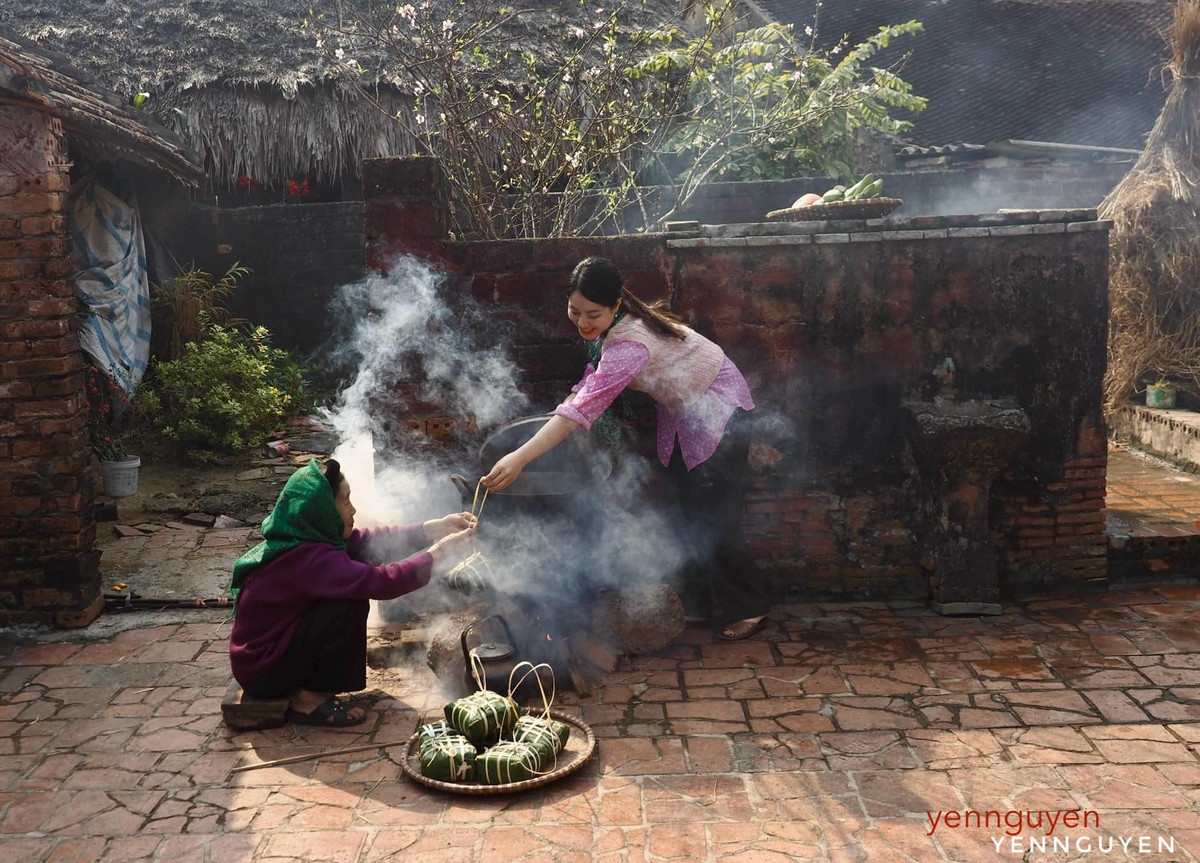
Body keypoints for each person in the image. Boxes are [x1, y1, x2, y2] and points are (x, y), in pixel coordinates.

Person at [481, 255, 771, 640]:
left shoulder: (630, 344)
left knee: (716, 514)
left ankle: (750, 606)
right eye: (574, 311)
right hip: (687, 409)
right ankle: (701, 602)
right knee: (685, 507)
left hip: (718, 410)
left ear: (616, 304)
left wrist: (519, 457)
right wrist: (560, 412)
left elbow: (580, 411)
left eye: (593, 314)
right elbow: (588, 386)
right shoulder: (615, 327)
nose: (583, 322)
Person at [229, 458, 476, 726]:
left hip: (263, 660)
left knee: (347, 593)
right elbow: (383, 583)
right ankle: (308, 699)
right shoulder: (310, 559)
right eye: (345, 502)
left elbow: (372, 542)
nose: (353, 509)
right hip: (265, 672)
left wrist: (437, 527)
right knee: (347, 602)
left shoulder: (304, 536)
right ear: (323, 511)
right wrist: (439, 553)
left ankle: (307, 687)